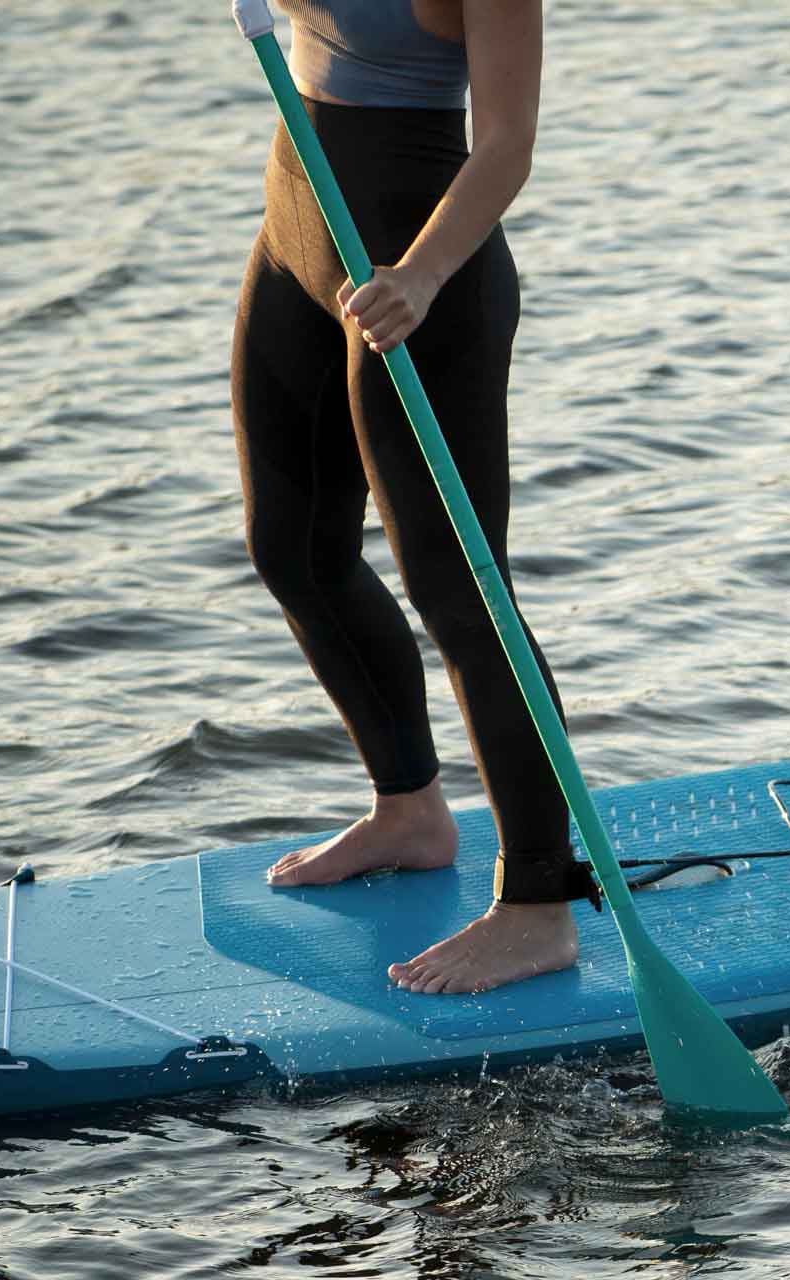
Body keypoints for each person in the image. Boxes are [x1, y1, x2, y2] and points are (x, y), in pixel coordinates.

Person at [229, 0, 593, 994]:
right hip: (298, 216)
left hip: (421, 259)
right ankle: (411, 811)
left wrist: (423, 277)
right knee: (293, 547)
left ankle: (539, 906)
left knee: (461, 589)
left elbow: (508, 146)